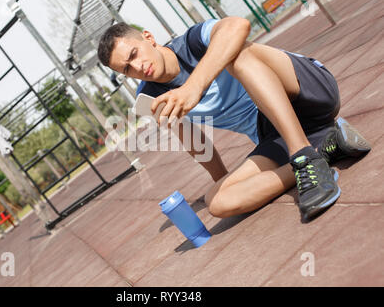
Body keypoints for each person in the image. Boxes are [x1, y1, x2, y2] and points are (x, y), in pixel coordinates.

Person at [97, 17, 371, 222]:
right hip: (273, 133)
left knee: (234, 53)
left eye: (133, 55)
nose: (137, 67)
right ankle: (325, 149)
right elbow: (193, 140)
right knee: (217, 202)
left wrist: (193, 87)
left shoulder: (192, 42)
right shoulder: (150, 97)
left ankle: (304, 157)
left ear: (148, 38)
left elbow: (238, 25)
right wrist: (225, 180)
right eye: (126, 69)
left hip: (308, 90)